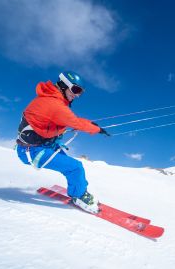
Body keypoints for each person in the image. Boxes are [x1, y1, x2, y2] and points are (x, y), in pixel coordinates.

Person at [16, 71, 109, 213]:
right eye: (76, 90)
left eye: (81, 92)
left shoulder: (52, 100)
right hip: (33, 151)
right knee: (75, 167)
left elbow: (70, 120)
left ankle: (78, 189)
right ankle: (78, 196)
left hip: (40, 146)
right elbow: (74, 122)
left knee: (73, 168)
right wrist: (96, 129)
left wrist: (92, 124)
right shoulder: (55, 105)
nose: (77, 95)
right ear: (63, 85)